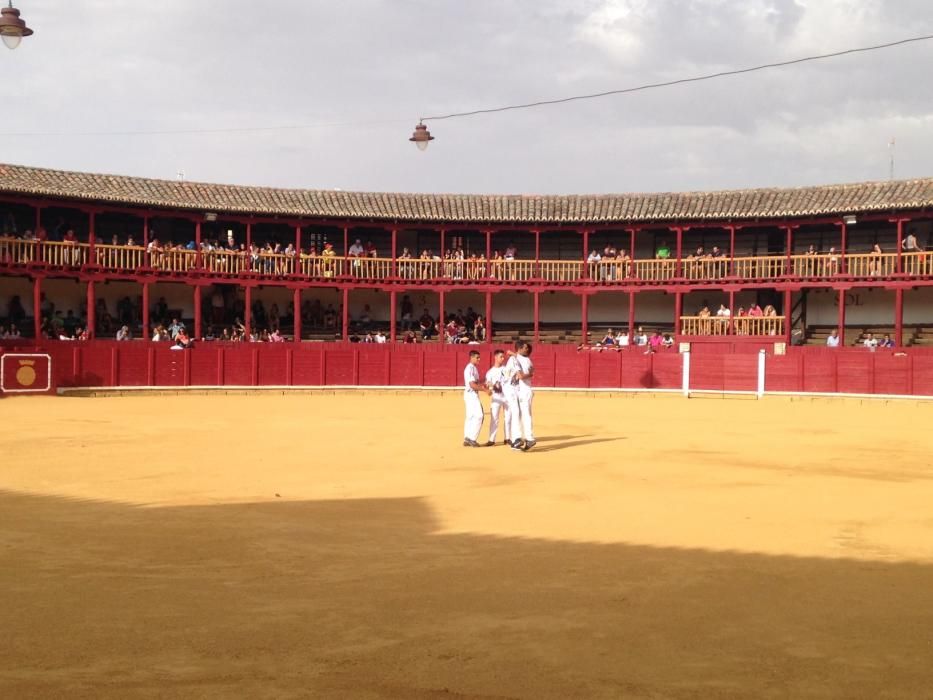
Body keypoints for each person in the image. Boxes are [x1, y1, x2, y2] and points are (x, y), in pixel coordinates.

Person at [507, 341, 536, 451]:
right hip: (523, 390)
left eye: (527, 348)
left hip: (523, 390)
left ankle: (527, 438)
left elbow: (521, 376)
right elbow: (518, 358)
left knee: (523, 414)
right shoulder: (525, 359)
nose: (527, 349)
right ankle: (526, 438)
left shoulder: (519, 359)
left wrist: (529, 374)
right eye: (525, 348)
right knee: (523, 414)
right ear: (519, 348)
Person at [484, 349, 511, 446]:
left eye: (503, 357)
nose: (503, 359)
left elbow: (509, 381)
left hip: (507, 396)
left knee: (508, 418)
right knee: (494, 418)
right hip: (496, 397)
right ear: (495, 357)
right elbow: (487, 385)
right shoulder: (490, 372)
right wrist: (488, 386)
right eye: (501, 357)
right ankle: (491, 439)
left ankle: (507, 438)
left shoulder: (506, 369)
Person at [462, 350, 489, 447]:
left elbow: (476, 382)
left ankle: (467, 438)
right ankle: (472, 438)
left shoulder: (473, 368)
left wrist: (486, 381)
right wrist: (484, 390)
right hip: (471, 394)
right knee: (479, 416)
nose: (479, 359)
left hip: (470, 394)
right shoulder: (469, 368)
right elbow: (472, 385)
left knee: (470, 417)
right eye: (477, 357)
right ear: (471, 357)